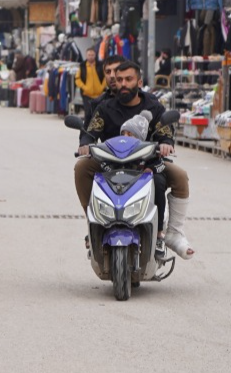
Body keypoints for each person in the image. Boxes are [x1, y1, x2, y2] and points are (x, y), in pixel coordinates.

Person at [74, 60, 194, 257]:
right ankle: (93, 222)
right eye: (119, 79)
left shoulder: (153, 106)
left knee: (180, 176)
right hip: (109, 163)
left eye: (128, 79)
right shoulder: (105, 107)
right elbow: (90, 131)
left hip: (148, 163)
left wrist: (165, 143)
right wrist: (85, 143)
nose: (122, 84)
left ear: (139, 83)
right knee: (81, 168)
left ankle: (171, 233)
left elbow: (165, 132)